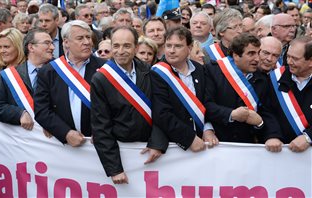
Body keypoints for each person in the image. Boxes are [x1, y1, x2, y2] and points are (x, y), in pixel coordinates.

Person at [90, 26, 167, 184]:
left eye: (126, 46)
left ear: (136, 47)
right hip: (122, 152)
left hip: (153, 151)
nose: (120, 51)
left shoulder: (150, 72)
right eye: (116, 46)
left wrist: (158, 142)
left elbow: (162, 111)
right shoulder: (101, 79)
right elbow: (100, 126)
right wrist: (115, 169)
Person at [34, 20, 105, 145]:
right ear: (66, 42)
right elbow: (42, 111)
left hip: (99, 144)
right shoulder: (49, 71)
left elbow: (115, 106)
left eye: (88, 37)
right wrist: (65, 133)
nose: (87, 42)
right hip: (62, 146)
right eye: (80, 38)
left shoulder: (105, 68)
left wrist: (103, 130)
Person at [204, 33, 280, 144]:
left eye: (258, 53)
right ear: (235, 55)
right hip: (217, 142)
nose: (257, 59)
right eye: (251, 54)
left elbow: (266, 112)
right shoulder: (212, 71)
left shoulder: (262, 79)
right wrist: (231, 114)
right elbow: (206, 104)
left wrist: (265, 129)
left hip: (246, 145)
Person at [151, 27, 217, 152]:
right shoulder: (158, 73)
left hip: (202, 143)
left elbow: (207, 103)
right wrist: (189, 138)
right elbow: (162, 113)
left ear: (190, 47)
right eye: (168, 45)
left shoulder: (200, 70)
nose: (171, 51)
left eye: (178, 46)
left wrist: (208, 129)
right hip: (174, 146)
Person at [0, 28, 53, 129]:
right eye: (0, 47)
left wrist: (53, 125)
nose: (2, 51)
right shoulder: (5, 72)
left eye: (6, 47)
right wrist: (19, 113)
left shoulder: (55, 70)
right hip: (19, 138)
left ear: (18, 47)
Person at [269, 36, 312, 152]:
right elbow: (267, 111)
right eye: (288, 56)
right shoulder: (274, 78)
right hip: (279, 152)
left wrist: (309, 137)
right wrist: (273, 135)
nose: (289, 62)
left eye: (295, 59)